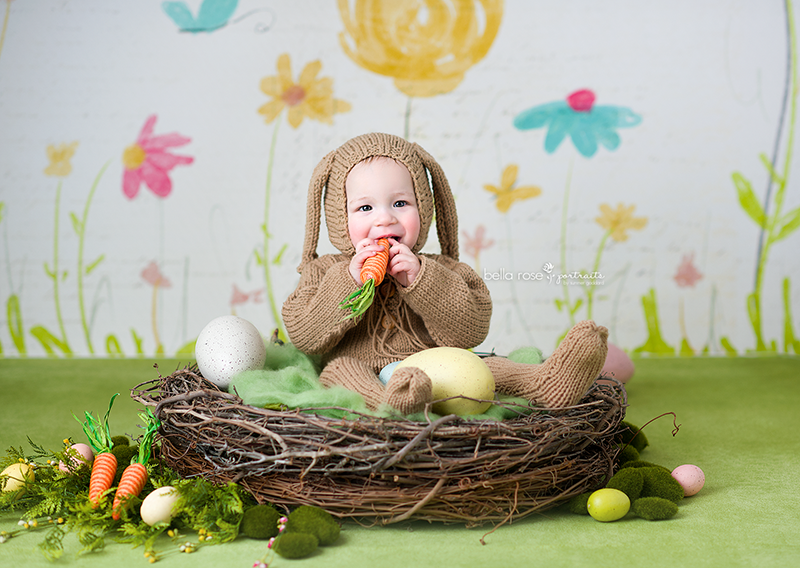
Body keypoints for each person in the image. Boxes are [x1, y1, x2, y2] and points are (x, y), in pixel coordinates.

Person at [282, 132, 608, 415]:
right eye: (365, 208)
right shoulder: (324, 270)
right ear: (340, 218)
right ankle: (390, 406)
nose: (385, 219)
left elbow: (472, 329)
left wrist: (423, 281)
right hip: (362, 370)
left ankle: (544, 382)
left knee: (482, 367)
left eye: (400, 203)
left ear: (423, 208)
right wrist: (347, 282)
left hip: (439, 372)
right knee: (340, 371)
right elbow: (304, 335)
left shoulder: (441, 268)